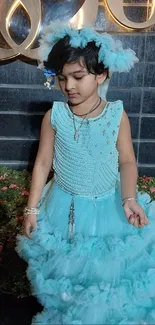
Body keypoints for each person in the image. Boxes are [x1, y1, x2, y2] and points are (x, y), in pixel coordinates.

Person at [16, 23, 155, 325]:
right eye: (62, 78)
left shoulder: (116, 114)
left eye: (78, 77)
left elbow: (128, 161)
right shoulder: (55, 115)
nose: (69, 86)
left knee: (105, 272)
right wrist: (31, 208)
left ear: (101, 75)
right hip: (65, 207)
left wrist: (129, 197)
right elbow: (42, 163)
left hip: (108, 204)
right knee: (70, 274)